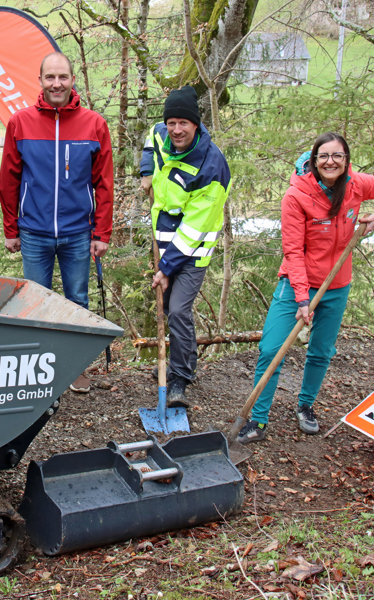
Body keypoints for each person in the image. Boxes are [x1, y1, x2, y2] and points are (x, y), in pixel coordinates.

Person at [236, 132, 374, 444]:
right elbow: (293, 252)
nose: (331, 161)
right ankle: (257, 419)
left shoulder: (356, 184)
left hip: (337, 285)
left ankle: (305, 405)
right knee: (271, 349)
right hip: (297, 284)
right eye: (324, 156)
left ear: (346, 160)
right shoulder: (297, 196)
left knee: (321, 351)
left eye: (337, 156)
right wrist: (301, 297)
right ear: (313, 161)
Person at [0, 52, 114, 393]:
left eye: (62, 77)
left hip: (78, 232)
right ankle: (37, 371)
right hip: (34, 232)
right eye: (50, 77)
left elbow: (104, 182)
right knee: (36, 303)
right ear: (40, 81)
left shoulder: (94, 124)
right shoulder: (21, 123)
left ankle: (74, 368)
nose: (57, 84)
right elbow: (8, 180)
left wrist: (102, 232)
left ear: (72, 79)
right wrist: (11, 228)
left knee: (77, 301)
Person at [142, 86, 231, 408]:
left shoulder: (212, 166)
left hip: (192, 251)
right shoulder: (161, 135)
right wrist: (145, 172)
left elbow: (195, 227)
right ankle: (174, 362)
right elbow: (150, 141)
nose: (176, 130)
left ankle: (180, 377)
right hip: (164, 242)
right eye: (172, 123)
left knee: (178, 310)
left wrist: (166, 268)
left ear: (196, 125)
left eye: (184, 123)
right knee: (167, 310)